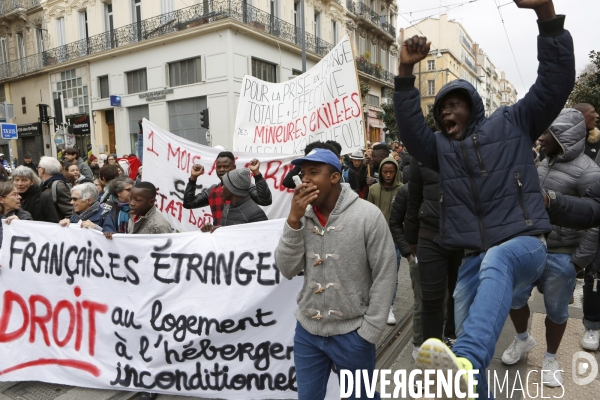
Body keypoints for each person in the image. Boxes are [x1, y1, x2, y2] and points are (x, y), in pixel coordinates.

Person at [393, 0, 574, 396]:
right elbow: (410, 131)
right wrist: (405, 71)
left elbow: (555, 83)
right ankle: (472, 377)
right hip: (474, 258)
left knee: (497, 262)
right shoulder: (440, 148)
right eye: (439, 111)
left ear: (471, 106)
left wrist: (545, 12)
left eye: (451, 106)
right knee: (465, 317)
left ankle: (469, 356)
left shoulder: (513, 121)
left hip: (525, 243)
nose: (443, 115)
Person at [274, 148, 397, 400]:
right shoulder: (303, 216)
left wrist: (370, 331)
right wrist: (293, 221)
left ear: (334, 177)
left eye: (313, 173)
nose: (305, 179)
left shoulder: (367, 216)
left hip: (353, 334)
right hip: (308, 333)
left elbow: (385, 273)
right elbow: (287, 269)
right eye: (303, 173)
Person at [500, 109, 600, 387]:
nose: (541, 138)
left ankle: (551, 358)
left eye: (548, 134)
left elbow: (595, 220)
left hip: (563, 255)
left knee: (556, 312)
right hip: (530, 247)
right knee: (514, 298)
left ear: (564, 137)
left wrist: (578, 262)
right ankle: (522, 340)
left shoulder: (591, 172)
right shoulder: (542, 163)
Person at [405, 158, 462, 349]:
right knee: (430, 300)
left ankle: (454, 338)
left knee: (460, 295)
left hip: (466, 237)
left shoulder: (474, 144)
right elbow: (414, 198)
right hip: (430, 234)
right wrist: (412, 237)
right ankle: (431, 355)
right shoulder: (422, 155)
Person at [183, 152, 272, 226]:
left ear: (234, 167)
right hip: (220, 241)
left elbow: (265, 200)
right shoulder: (212, 191)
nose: (222, 170)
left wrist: (256, 173)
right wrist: (193, 178)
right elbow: (188, 203)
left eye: (226, 166)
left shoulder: (244, 187)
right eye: (218, 167)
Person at [389, 174, 423, 360]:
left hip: (445, 255)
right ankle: (418, 344)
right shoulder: (406, 191)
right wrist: (407, 252)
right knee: (421, 301)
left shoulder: (448, 183)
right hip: (417, 258)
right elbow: (394, 223)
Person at [367, 156, 402, 325]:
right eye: (385, 172)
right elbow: (367, 212)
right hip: (375, 238)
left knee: (392, 274)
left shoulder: (403, 190)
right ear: (380, 172)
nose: (388, 175)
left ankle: (389, 305)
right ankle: (374, 303)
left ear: (396, 172)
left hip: (395, 239)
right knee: (373, 272)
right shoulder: (373, 190)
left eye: (391, 172)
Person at [202, 168, 268, 232]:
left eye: (225, 185)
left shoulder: (256, 214)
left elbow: (263, 239)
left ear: (233, 189)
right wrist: (216, 230)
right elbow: (228, 234)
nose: (221, 188)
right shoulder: (227, 208)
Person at [0, 182, 32, 248]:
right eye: (14, 194)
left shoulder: (25, 217)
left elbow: (31, 241)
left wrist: (20, 225)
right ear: (1, 199)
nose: (19, 197)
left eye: (18, 194)